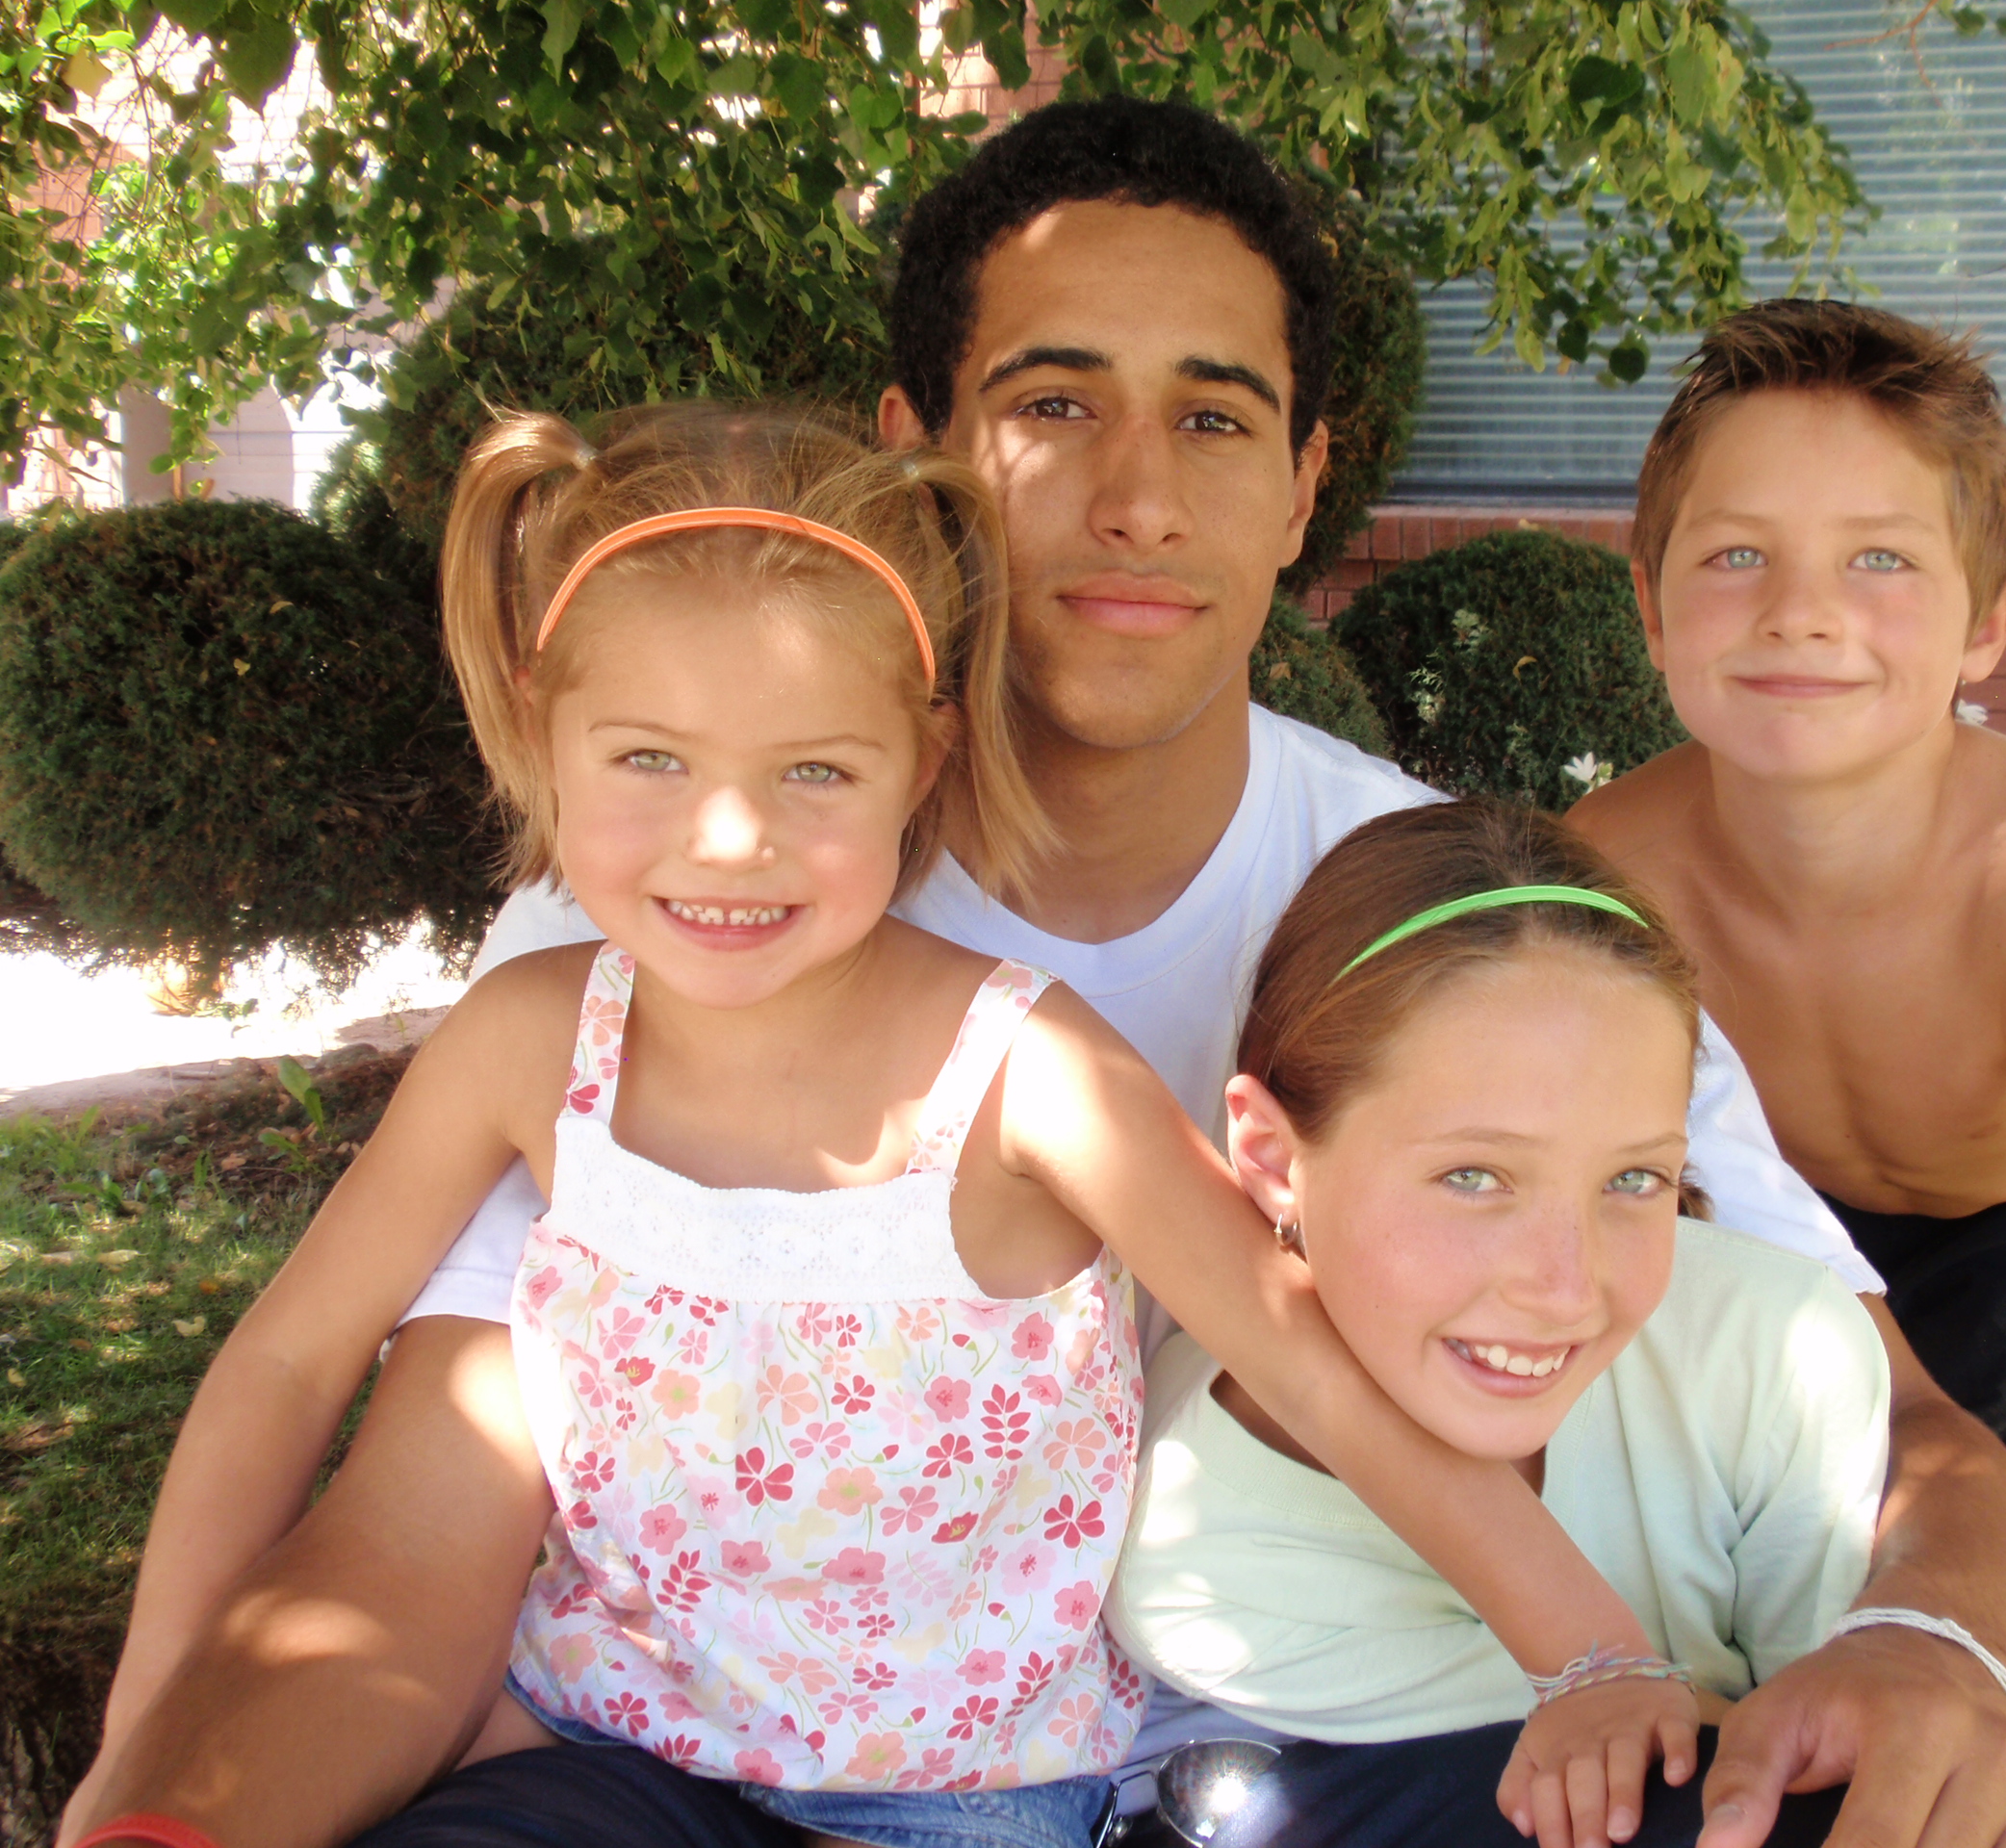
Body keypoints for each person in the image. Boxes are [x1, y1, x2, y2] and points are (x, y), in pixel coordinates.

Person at [65, 99, 2006, 1848]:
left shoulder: (1457, 924)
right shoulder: (621, 952)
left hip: (1267, 1752)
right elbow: (417, 1519)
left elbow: (1904, 1434)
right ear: (921, 462)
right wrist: (169, 1786)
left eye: (1213, 418)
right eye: (1051, 406)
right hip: (671, 1757)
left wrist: (1919, 1646)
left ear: (1309, 484)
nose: (1134, 497)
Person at [74, 401, 1703, 1848]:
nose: (728, 842)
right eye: (648, 758)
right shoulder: (529, 1035)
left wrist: (1594, 1656)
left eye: (814, 774)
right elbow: (289, 1364)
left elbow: (1314, 1367)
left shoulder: (1028, 1074)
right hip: (597, 1750)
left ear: (921, 761)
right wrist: (144, 1741)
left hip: (956, 1798)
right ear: (539, 725)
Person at [1103, 799, 2006, 1848]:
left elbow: (1891, 1750)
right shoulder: (1207, 1539)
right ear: (1277, 1160)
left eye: (1635, 1178)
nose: (1566, 1287)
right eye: (1473, 1177)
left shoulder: (1770, 1346)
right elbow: (1664, 1789)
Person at [1567, 300, 2006, 1848]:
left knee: (1908, 1573)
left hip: (1991, 1242)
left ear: (1991, 616)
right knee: (1729, 1556)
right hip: (1759, 1230)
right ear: (1652, 608)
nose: (1803, 611)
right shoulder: (1613, 862)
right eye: (1737, 553)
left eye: (1880, 558)